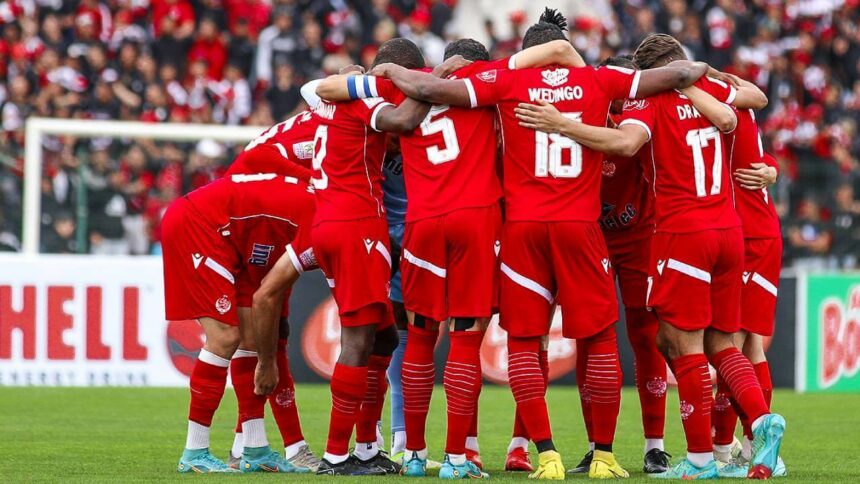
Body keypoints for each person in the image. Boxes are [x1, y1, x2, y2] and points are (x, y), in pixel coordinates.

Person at [369, 21, 710, 480]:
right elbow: (679, 74)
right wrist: (714, 77)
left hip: (510, 229)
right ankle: (602, 456)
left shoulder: (504, 81)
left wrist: (391, 69)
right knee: (599, 338)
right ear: (564, 48)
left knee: (511, 341)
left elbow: (424, 89)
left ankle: (531, 453)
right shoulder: (598, 79)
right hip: (577, 227)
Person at [315, 26, 588, 479]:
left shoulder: (405, 84)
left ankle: (413, 454)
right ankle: (459, 459)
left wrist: (381, 71)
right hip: (476, 221)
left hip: (423, 224)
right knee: (465, 339)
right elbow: (550, 58)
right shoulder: (491, 81)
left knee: (420, 339)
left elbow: (325, 88)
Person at [513, 33, 785, 480]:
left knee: (679, 342)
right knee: (723, 342)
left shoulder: (647, 102)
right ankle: (759, 422)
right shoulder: (713, 93)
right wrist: (703, 78)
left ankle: (701, 458)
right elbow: (745, 106)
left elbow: (625, 144)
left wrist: (561, 124)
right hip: (727, 230)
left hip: (679, 233)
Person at [303, 38, 439, 476]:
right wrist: (432, 82)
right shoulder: (366, 98)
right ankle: (335, 456)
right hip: (354, 224)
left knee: (383, 338)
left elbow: (314, 88)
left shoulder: (331, 97)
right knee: (359, 339)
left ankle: (366, 449)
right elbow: (402, 119)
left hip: (332, 221)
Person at [162, 174, 315, 475]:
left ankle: (255, 450)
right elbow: (267, 297)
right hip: (199, 224)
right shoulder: (317, 222)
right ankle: (194, 451)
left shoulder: (309, 208)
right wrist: (268, 363)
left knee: (250, 338)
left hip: (238, 235)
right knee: (225, 336)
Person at [563, 54, 670, 477]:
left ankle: (655, 446)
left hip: (640, 238)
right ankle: (596, 446)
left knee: (646, 336)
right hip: (593, 238)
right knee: (589, 338)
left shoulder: (644, 118)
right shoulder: (583, 113)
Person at [220, 110, 321, 472]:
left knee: (272, 335)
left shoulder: (315, 122)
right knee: (261, 337)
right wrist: (312, 181)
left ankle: (243, 445)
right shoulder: (322, 130)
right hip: (252, 221)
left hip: (269, 216)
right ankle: (291, 447)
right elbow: (260, 156)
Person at [711, 107, 786, 476]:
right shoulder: (730, 107)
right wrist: (771, 166)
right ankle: (752, 448)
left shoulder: (721, 107)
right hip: (741, 235)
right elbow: (756, 153)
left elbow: (750, 150)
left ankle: (725, 449)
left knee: (731, 343)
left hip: (751, 238)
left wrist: (771, 167)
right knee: (748, 345)